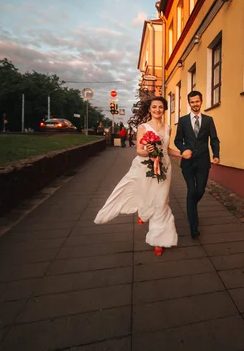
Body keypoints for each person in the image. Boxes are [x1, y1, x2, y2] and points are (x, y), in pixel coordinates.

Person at [94, 97, 191, 256]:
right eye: (154, 107)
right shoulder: (143, 127)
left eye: (160, 107)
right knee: (146, 195)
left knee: (161, 201)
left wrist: (182, 154)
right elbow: (139, 150)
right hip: (147, 166)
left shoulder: (168, 128)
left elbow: (167, 150)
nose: (157, 110)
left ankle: (159, 239)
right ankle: (144, 211)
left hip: (164, 168)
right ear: (149, 109)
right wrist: (149, 151)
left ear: (164, 109)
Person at [174, 90, 220, 239]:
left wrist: (216, 155)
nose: (195, 104)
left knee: (200, 190)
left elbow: (214, 139)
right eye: (192, 102)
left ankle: (191, 206)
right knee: (191, 191)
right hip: (187, 163)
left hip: (203, 162)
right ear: (189, 103)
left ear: (201, 102)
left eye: (197, 101)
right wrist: (183, 149)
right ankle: (194, 227)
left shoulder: (208, 120)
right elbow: (177, 140)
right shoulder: (183, 121)